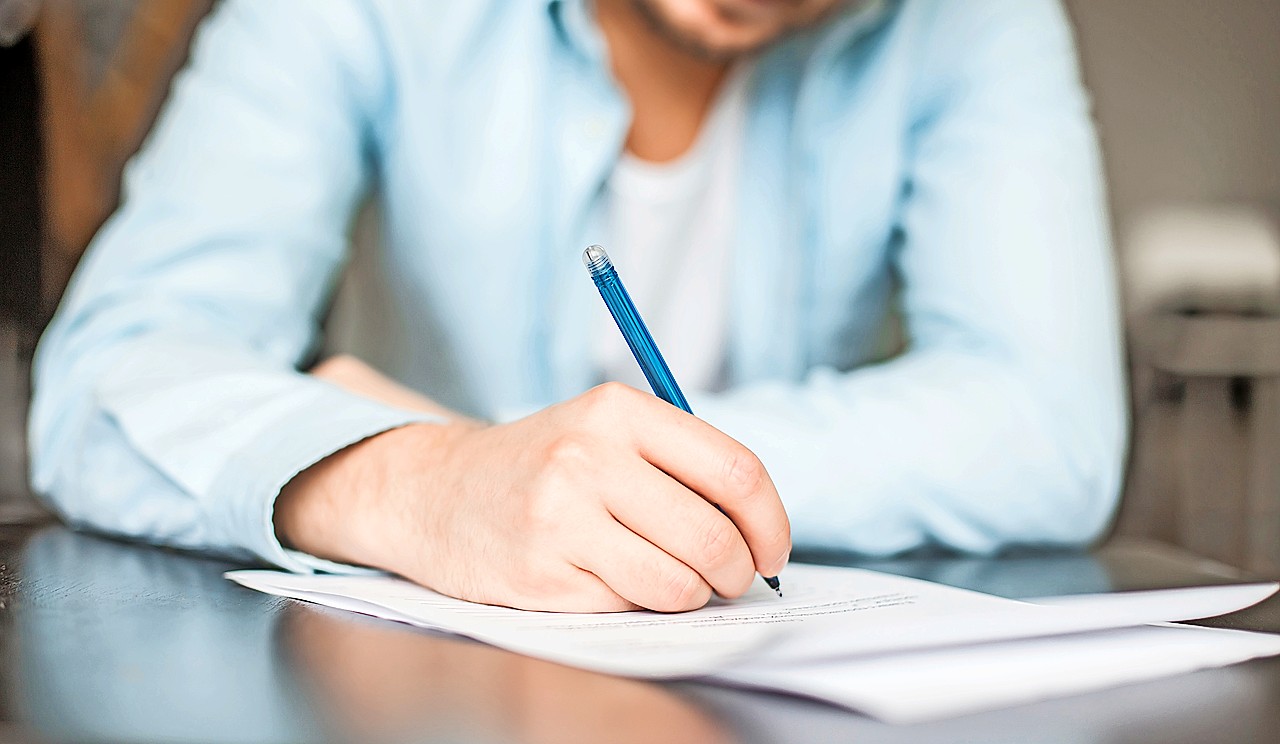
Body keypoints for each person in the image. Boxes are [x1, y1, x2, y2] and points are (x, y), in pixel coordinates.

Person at [29, 0, 1126, 613]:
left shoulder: (971, 23)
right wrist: (426, 483)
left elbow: (1046, 427)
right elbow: (108, 378)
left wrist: (583, 477)